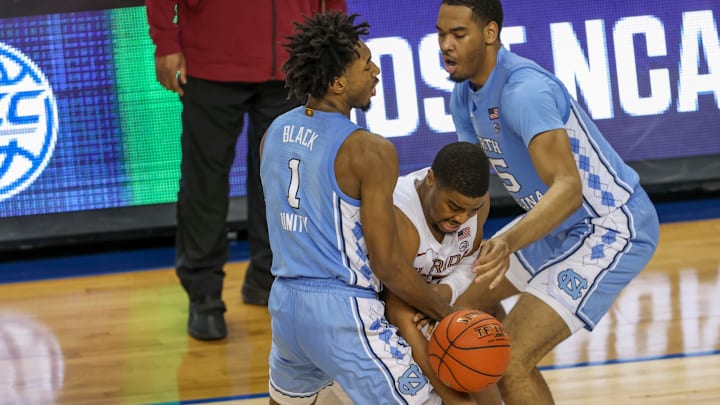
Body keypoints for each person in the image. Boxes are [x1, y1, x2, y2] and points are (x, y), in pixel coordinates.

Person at [436, 1, 660, 404]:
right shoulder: (462, 97)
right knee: (455, 306)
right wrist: (456, 245)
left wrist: (506, 243)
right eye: (441, 34)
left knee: (512, 359)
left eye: (458, 34)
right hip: (553, 226)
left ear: (490, 33)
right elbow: (474, 190)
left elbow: (568, 189)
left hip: (609, 226)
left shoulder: (525, 92)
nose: (445, 45)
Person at [261, 11, 456, 405]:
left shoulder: (273, 132)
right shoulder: (370, 150)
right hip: (342, 311)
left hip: (284, 304)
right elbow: (387, 264)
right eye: (366, 64)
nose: (375, 71)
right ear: (337, 82)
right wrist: (440, 307)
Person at [145, 0, 346, 341]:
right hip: (210, 61)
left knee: (285, 183)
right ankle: (204, 294)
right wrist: (165, 41)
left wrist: (335, 44)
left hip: (293, 60)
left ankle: (269, 278)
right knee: (204, 182)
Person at [383, 141, 503, 405]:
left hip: (432, 305)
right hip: (384, 313)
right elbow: (397, 309)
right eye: (454, 206)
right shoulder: (403, 220)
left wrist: (444, 292)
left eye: (470, 210)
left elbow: (470, 260)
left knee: (481, 346)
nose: (462, 218)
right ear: (431, 179)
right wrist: (456, 400)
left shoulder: (476, 206)